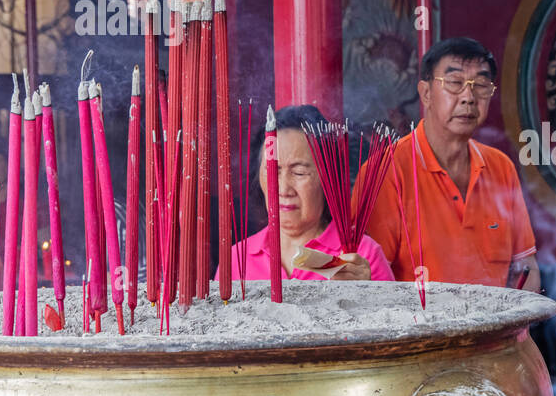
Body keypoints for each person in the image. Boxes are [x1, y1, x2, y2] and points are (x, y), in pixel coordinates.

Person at [358, 37, 539, 290]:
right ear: (426, 93)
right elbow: (371, 281)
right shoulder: (386, 172)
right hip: (421, 328)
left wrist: (520, 328)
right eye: (455, 83)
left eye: (481, 85)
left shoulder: (501, 167)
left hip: (496, 328)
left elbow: (525, 266)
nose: (469, 97)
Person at [221, 104, 393, 284]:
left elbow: (389, 312)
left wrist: (366, 293)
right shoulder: (238, 258)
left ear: (328, 179)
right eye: (272, 171)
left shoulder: (360, 255)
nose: (284, 189)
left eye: (299, 173)